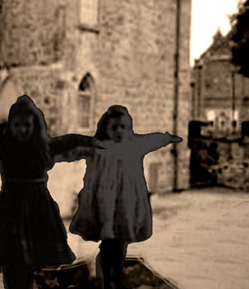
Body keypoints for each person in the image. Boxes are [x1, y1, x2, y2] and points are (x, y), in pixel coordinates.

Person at [0, 95, 100, 289]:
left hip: (37, 206)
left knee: (33, 257)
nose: (22, 130)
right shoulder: (4, 146)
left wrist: (92, 142)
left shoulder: (44, 147)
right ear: (11, 125)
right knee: (12, 259)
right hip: (10, 207)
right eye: (17, 125)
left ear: (35, 126)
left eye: (27, 125)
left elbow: (69, 141)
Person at [65, 106, 181, 289]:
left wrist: (168, 138)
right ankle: (106, 279)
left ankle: (116, 277)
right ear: (106, 128)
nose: (120, 131)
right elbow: (72, 149)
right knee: (108, 242)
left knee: (120, 241)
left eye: (124, 127)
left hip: (126, 202)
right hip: (104, 202)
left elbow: (153, 139)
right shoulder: (98, 147)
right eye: (115, 127)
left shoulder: (134, 144)